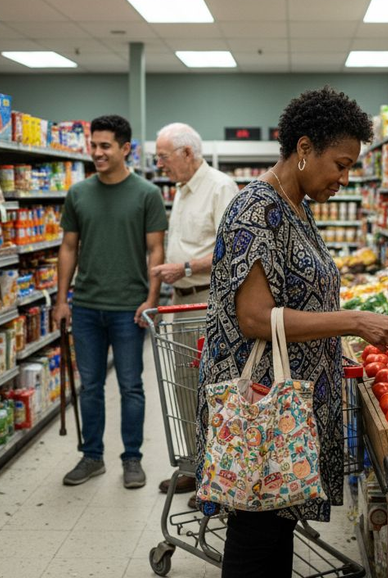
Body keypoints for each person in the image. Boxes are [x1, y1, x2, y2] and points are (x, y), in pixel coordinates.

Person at [195, 87, 388, 577]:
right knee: (256, 537)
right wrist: (354, 320)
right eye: (340, 164)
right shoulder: (256, 209)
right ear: (303, 148)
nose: (344, 178)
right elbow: (255, 319)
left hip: (291, 404)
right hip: (262, 406)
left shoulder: (298, 207)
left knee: (275, 531)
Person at [55, 114, 167, 489]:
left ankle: (132, 459)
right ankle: (92, 456)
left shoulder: (147, 194)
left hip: (128, 308)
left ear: (125, 149)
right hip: (86, 305)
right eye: (94, 145)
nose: (97, 152)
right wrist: (62, 300)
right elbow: (68, 248)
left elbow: (156, 250)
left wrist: (151, 299)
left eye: (105, 146)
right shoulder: (78, 194)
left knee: (131, 386)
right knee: (90, 386)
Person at [149, 122, 238, 497]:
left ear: (187, 152)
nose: (159, 165)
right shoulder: (183, 189)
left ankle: (217, 471)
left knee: (211, 388)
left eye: (163, 157)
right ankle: (194, 464)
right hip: (180, 301)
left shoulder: (219, 187)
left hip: (205, 300)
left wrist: (184, 268)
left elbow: (232, 249)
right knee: (185, 387)